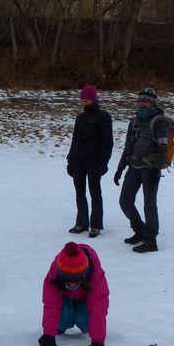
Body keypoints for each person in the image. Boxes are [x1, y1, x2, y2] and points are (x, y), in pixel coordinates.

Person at [113, 88, 169, 253]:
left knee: (149, 204)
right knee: (125, 201)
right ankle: (139, 231)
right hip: (133, 167)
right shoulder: (135, 121)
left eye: (144, 100)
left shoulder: (159, 122)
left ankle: (151, 240)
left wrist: (156, 168)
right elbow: (128, 147)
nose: (140, 103)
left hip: (150, 169)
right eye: (138, 100)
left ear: (152, 102)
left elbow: (163, 147)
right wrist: (120, 168)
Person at [38, 242, 110, 346]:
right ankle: (63, 323)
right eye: (67, 282)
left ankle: (80, 318)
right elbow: (51, 304)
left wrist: (98, 341)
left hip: (84, 300)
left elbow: (98, 310)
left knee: (84, 320)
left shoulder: (95, 276)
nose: (71, 286)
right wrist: (48, 333)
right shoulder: (54, 275)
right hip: (65, 299)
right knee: (62, 319)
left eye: (75, 282)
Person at [67, 85, 113, 237]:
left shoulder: (103, 116)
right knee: (79, 191)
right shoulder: (80, 117)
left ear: (93, 100)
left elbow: (108, 142)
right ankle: (81, 223)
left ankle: (96, 225)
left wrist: (104, 162)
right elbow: (75, 140)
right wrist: (70, 159)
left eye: (86, 99)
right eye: (82, 99)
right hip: (78, 159)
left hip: (94, 160)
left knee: (95, 192)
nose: (84, 102)